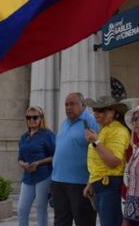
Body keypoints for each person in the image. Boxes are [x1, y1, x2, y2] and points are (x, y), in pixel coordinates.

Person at [51, 92, 99, 226]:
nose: (68, 107)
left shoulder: (91, 122)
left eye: (72, 104)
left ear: (83, 105)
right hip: (58, 181)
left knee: (84, 221)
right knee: (61, 221)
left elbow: (99, 149)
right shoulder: (65, 123)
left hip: (80, 183)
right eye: (66, 104)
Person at [82, 95, 130, 226]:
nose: (96, 113)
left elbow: (114, 161)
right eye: (95, 110)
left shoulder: (118, 130)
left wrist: (95, 142)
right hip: (102, 184)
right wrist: (91, 182)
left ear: (112, 113)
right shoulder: (104, 130)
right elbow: (100, 162)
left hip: (110, 185)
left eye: (101, 110)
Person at [16, 106, 55, 226]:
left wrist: (38, 163)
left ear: (41, 118)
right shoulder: (24, 137)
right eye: (29, 117)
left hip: (43, 176)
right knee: (22, 209)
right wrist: (23, 164)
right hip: (28, 177)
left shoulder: (47, 134)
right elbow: (20, 158)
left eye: (35, 117)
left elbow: (55, 156)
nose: (31, 120)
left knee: (40, 208)